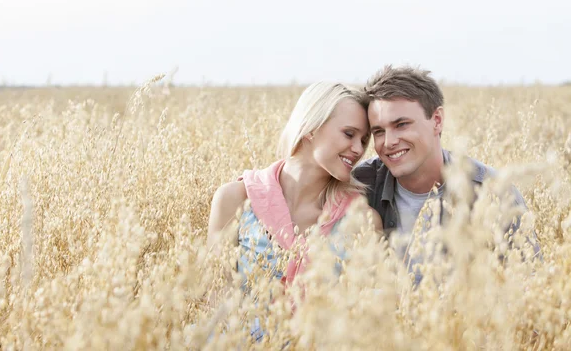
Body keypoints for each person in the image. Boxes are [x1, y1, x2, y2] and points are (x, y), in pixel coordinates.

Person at [207, 81, 382, 290]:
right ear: (311, 128)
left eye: (363, 141)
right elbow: (216, 298)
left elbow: (367, 314)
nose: (358, 149)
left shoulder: (361, 220)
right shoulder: (235, 199)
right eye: (349, 134)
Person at [352, 65, 540, 255]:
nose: (389, 142)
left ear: (437, 120)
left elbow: (528, 278)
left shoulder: (492, 191)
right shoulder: (360, 185)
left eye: (401, 125)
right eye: (378, 131)